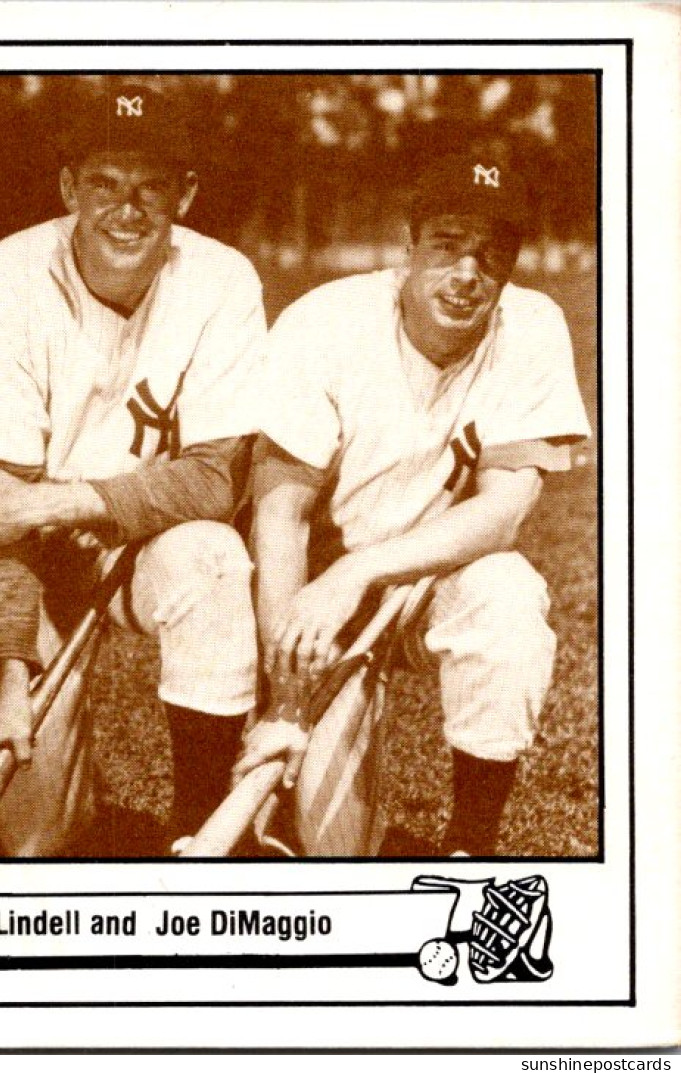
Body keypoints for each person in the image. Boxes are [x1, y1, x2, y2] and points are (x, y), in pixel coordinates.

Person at [0, 87, 266, 856]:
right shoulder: (3, 278)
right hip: (32, 561)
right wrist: (11, 672)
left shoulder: (222, 280)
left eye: (151, 186)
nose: (128, 209)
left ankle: (201, 831)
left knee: (211, 556)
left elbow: (215, 480)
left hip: (147, 542)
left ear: (184, 194)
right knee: (37, 837)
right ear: (68, 189)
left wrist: (54, 502)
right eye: (106, 183)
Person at [236, 154, 591, 856]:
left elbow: (503, 513)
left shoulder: (531, 324)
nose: (467, 273)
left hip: (420, 576)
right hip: (312, 592)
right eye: (448, 244)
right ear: (408, 250)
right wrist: (285, 695)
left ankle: (472, 845)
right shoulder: (325, 322)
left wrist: (363, 570)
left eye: (491, 255)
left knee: (507, 593)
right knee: (328, 849)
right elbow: (279, 515)